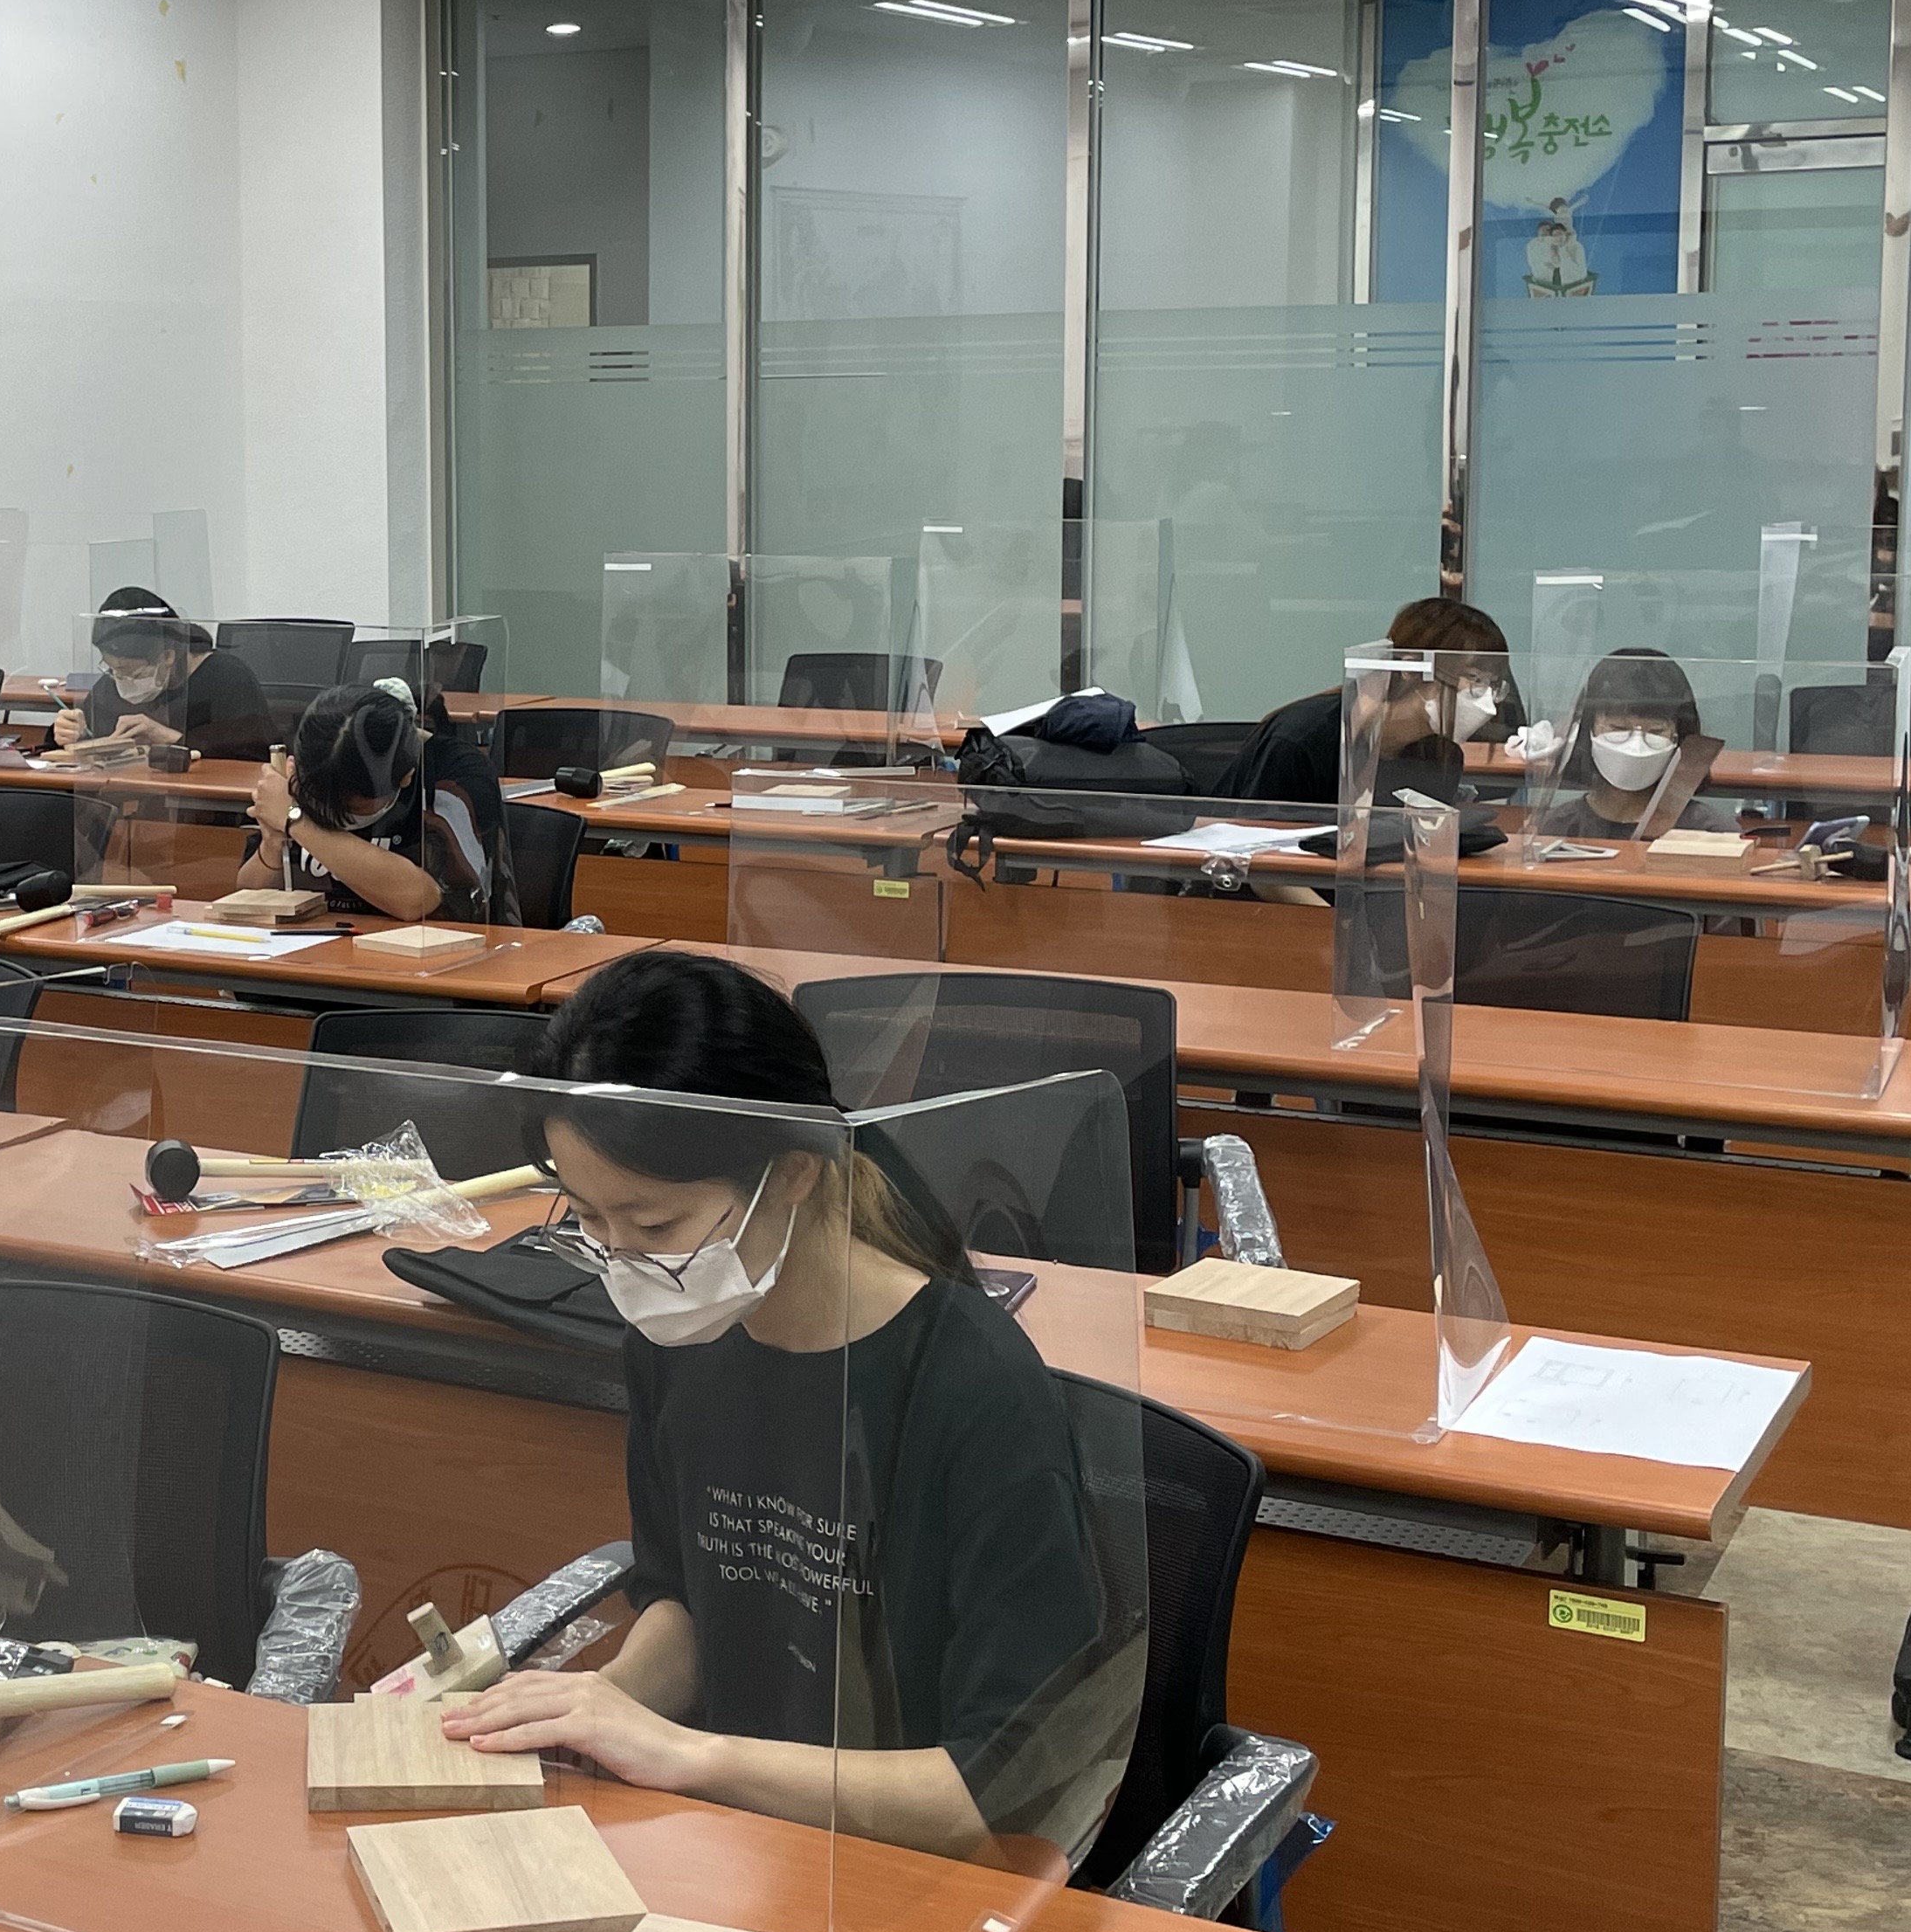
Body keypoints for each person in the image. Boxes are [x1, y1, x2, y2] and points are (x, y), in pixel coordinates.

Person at [438, 952, 1134, 1859]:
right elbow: (687, 1599)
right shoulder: (680, 1332)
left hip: (912, 1868)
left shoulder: (970, 1386)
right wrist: (603, 1706)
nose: (627, 1265)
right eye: (590, 1220)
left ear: (795, 1173)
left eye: (655, 1225)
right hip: (738, 1844)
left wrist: (691, 1756)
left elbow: (1000, 1792)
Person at [1211, 595, 1526, 811]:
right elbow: (1260, 859)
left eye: (1493, 685)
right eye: (1474, 679)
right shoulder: (1301, 740)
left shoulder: (1440, 758)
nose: (1487, 703)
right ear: (1412, 668)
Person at [238, 679, 515, 925]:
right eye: (321, 802)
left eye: (353, 808)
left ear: (406, 776)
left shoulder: (455, 774)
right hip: (319, 950)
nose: (334, 812)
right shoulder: (314, 772)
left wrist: (295, 820)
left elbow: (421, 899)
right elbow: (247, 895)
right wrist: (272, 842)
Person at [51, 587, 271, 762]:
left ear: (167, 657)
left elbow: (253, 756)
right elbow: (91, 734)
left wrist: (169, 738)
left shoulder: (227, 678)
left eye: (133, 672)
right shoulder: (112, 683)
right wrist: (71, 732)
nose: (121, 680)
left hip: (200, 800)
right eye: (111, 669)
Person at [1527, 645, 1717, 840]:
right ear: (1588, 730)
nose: (1636, 747)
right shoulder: (1557, 827)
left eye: (1656, 731)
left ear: (1680, 737)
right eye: (1618, 728)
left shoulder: (1708, 831)